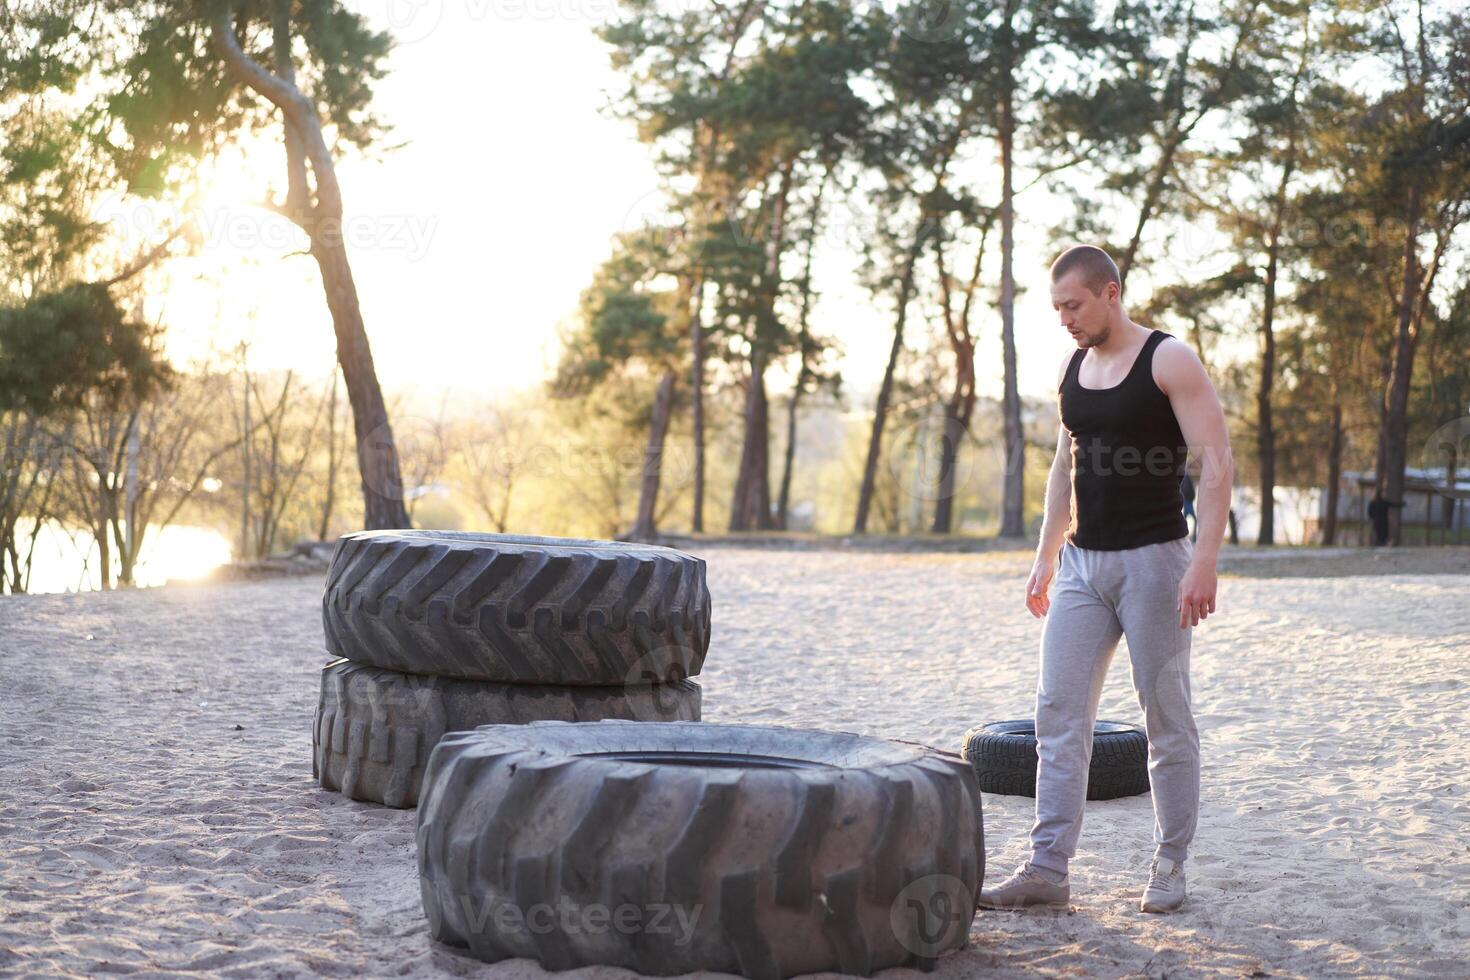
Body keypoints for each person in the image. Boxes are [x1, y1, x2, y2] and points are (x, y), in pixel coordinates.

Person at [977, 245, 1233, 915]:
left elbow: (1216, 464)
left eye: (1073, 305)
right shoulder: (1072, 366)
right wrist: (1044, 554)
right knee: (1058, 715)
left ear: (1110, 293)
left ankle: (1170, 865)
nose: (1064, 318)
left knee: (1165, 718)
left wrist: (1204, 560)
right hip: (1082, 566)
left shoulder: (1168, 360)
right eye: (1056, 307)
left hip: (1156, 563)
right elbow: (1064, 464)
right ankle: (1046, 870)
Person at [1181, 471, 1198, 542]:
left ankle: (1184, 538)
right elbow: (1185, 489)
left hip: (1187, 502)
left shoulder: (1186, 478)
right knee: (1191, 519)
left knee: (1184, 520)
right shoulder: (1186, 478)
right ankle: (1191, 538)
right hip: (1188, 502)